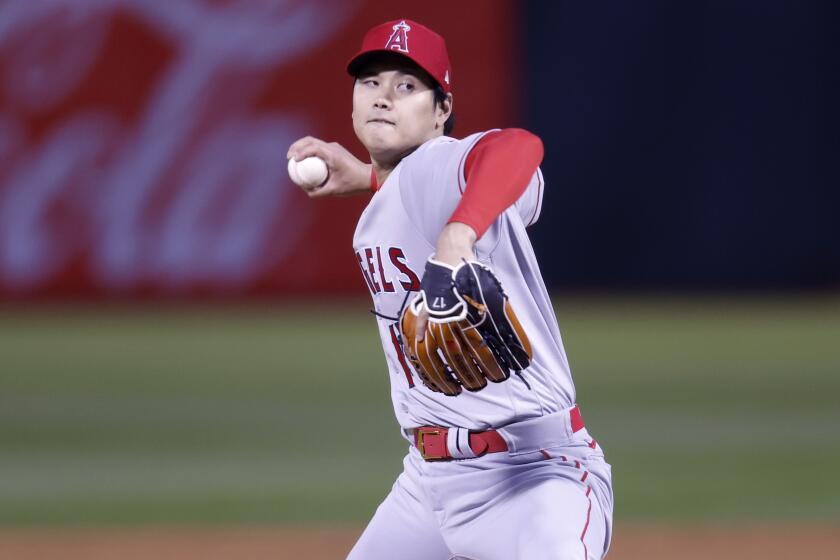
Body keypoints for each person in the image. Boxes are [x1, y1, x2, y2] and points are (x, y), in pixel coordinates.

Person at [287, 18, 613, 560]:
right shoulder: (404, 195)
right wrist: (371, 178)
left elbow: (516, 145)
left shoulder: (437, 165)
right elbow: (498, 185)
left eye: (407, 86)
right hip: (427, 487)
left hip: (532, 478)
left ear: (442, 111)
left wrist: (456, 237)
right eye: (370, 82)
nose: (384, 97)